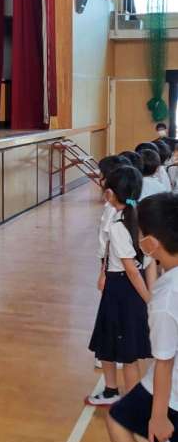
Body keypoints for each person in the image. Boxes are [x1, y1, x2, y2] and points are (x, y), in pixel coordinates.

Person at [107, 193, 178, 442]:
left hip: (173, 395)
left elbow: (164, 362)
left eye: (140, 234)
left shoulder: (166, 298)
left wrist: (159, 417)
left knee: (118, 420)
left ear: (150, 244)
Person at [86, 166, 152, 406]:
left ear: (110, 193)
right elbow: (148, 265)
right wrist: (150, 294)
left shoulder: (118, 227)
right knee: (112, 344)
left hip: (121, 290)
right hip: (128, 288)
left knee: (126, 352)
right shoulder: (142, 219)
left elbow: (131, 270)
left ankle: (131, 403)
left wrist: (149, 300)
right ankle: (111, 390)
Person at [94, 155, 132, 371]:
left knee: (111, 313)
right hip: (115, 266)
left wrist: (103, 271)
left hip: (114, 268)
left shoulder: (113, 211)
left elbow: (108, 242)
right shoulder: (124, 207)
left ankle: (108, 354)